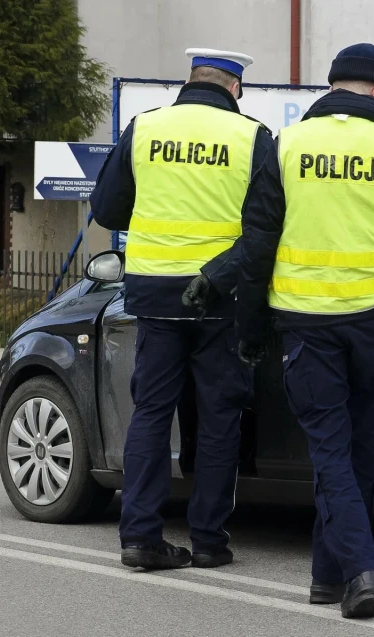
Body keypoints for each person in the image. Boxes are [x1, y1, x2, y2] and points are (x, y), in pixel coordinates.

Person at [235, 43, 374, 618]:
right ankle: (341, 573)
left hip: (306, 326)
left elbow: (257, 247)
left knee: (331, 452)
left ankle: (344, 573)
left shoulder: (289, 144)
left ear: (332, 87)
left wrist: (250, 329)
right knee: (357, 453)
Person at [90, 48, 274, 571]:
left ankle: (140, 537)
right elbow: (266, 227)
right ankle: (210, 540)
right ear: (235, 88)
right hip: (219, 297)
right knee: (220, 417)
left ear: (190, 80)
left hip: (154, 295)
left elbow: (106, 208)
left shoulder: (145, 128)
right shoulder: (251, 137)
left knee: (151, 412)